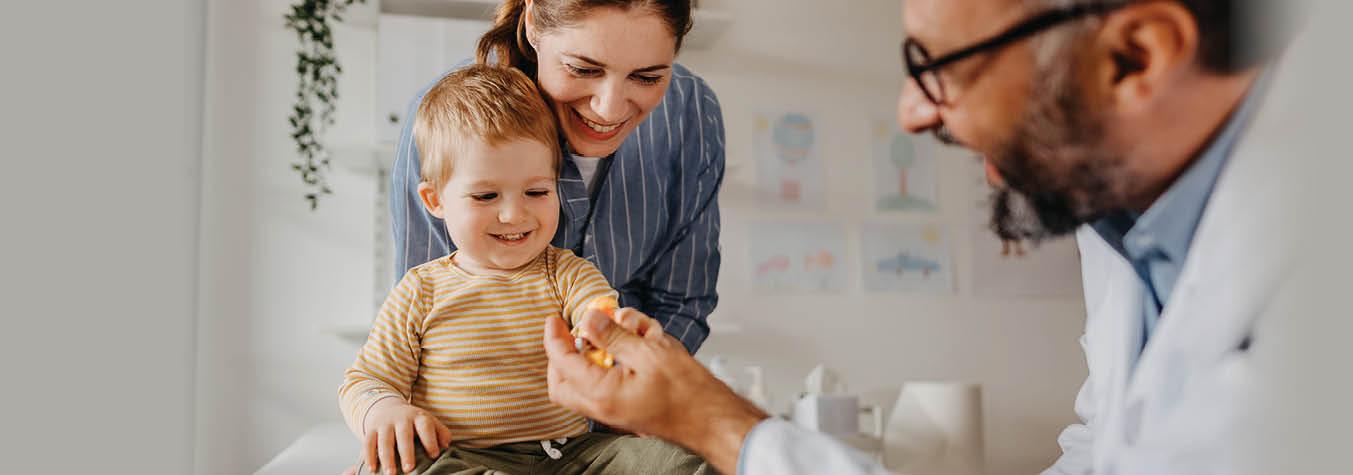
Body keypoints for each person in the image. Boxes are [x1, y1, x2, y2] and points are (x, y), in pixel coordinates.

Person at [543, 0, 1302, 473]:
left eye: (937, 65)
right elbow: (1100, 449)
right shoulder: (1123, 225)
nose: (911, 112)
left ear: (1135, 56)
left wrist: (717, 421)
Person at [341, 65, 712, 475]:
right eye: (485, 195)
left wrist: (607, 340)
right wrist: (384, 410)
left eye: (537, 192)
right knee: (395, 466)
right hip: (462, 455)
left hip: (573, 456)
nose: (514, 214)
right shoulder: (420, 290)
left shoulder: (567, 273)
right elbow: (366, 379)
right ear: (435, 201)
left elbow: (599, 313)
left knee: (680, 461)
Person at [390, 0, 724, 356]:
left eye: (646, 77)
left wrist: (623, 391)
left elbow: (681, 303)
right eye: (582, 69)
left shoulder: (690, 111)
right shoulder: (447, 124)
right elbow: (428, 320)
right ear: (532, 23)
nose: (609, 109)